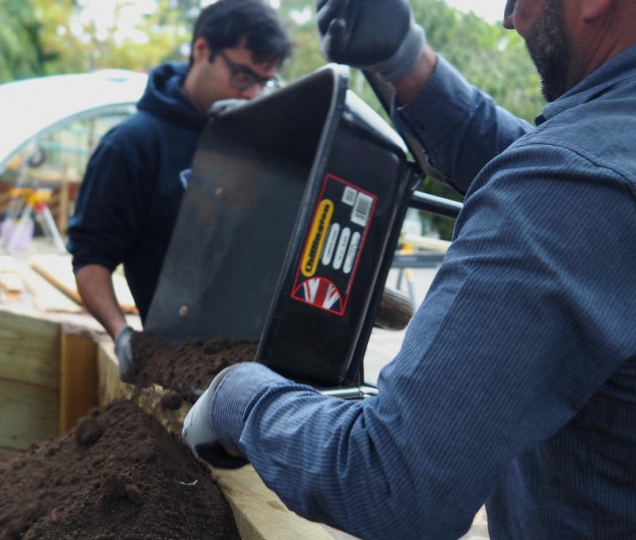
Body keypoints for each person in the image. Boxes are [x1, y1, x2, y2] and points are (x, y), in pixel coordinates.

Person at [183, 0, 636, 538]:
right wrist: (407, 62)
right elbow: (572, 180)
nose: (508, 19)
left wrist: (240, 397)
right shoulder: (605, 158)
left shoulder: (574, 184)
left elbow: (389, 482)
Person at [66, 0, 292, 379]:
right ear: (202, 50)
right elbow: (91, 257)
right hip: (182, 361)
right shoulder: (130, 147)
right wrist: (123, 336)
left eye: (262, 81)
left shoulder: (257, 142)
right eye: (241, 76)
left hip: (262, 357)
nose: (252, 93)